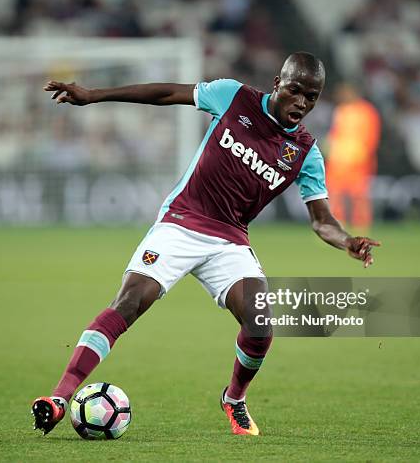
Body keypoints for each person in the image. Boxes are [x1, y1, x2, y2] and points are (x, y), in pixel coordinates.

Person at [31, 52, 381, 436]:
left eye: (311, 97)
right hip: (181, 222)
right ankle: (59, 399)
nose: (302, 103)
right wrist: (93, 95)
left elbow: (321, 220)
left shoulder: (305, 152)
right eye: (295, 91)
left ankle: (233, 400)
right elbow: (166, 93)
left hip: (229, 241)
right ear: (278, 84)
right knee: (130, 301)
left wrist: (347, 241)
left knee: (260, 322)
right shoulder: (233, 97)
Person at [326, 83, 381, 231]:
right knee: (335, 193)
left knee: (359, 194)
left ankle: (361, 224)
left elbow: (371, 136)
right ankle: (336, 223)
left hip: (358, 162)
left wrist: (362, 154)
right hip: (338, 160)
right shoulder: (340, 110)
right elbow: (335, 133)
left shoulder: (367, 111)